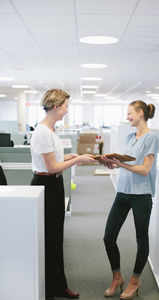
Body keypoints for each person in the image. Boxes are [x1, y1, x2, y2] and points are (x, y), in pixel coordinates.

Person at [30, 89, 95, 300]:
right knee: (50, 238)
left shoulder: (50, 130)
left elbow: (54, 159)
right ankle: (50, 288)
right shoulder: (42, 132)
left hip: (54, 184)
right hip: (46, 184)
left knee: (57, 237)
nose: (67, 110)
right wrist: (77, 160)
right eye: (66, 106)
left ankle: (58, 285)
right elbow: (50, 167)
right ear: (56, 106)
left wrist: (71, 155)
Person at [100, 100, 159, 300]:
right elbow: (128, 162)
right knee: (108, 237)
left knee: (141, 240)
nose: (127, 117)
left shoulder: (151, 138)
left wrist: (121, 165)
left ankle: (135, 280)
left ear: (141, 113)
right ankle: (117, 277)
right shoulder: (129, 136)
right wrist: (113, 164)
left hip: (141, 195)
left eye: (129, 113)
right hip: (123, 192)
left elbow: (144, 170)